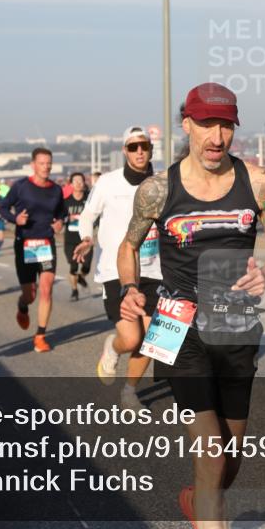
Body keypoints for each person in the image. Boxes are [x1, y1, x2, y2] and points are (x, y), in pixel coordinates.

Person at [117, 83, 265, 529]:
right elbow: (128, 246)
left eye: (226, 126)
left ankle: (199, 501)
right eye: (207, 125)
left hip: (235, 327)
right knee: (211, 449)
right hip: (180, 327)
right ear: (187, 124)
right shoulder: (158, 190)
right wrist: (131, 288)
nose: (217, 137)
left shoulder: (257, 184)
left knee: (229, 458)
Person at [75, 126, 162, 411]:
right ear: (125, 150)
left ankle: (129, 391)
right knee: (131, 337)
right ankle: (113, 348)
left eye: (144, 146)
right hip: (115, 270)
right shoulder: (109, 183)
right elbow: (88, 214)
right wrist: (86, 237)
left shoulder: (163, 182)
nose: (139, 151)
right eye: (133, 147)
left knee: (151, 340)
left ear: (150, 149)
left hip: (154, 270)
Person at [0, 148, 67, 353]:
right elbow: (3, 208)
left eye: (49, 163)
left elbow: (62, 214)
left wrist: (59, 224)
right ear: (33, 165)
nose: (46, 166)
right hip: (25, 244)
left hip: (45, 244)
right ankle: (22, 305)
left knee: (46, 288)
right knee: (30, 294)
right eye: (42, 163)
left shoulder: (56, 190)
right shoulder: (20, 187)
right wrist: (15, 219)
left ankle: (40, 336)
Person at [62, 172, 92, 301]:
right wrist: (67, 218)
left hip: (85, 239)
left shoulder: (90, 200)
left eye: (81, 181)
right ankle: (74, 290)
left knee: (87, 267)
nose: (79, 184)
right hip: (70, 239)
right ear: (71, 184)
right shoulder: (66, 202)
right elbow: (59, 218)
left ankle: (82, 277)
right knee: (73, 266)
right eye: (76, 181)